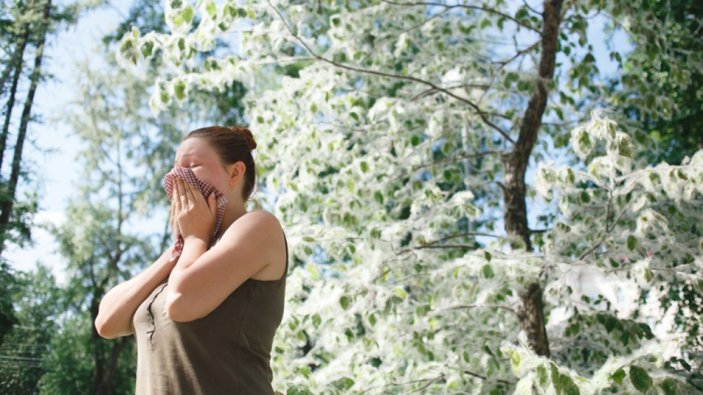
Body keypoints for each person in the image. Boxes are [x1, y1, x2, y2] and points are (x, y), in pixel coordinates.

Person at [94, 126, 288, 394]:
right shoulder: (186, 256)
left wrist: (195, 237)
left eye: (192, 166)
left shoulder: (259, 226)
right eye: (174, 168)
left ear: (234, 173)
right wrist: (177, 250)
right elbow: (107, 323)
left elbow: (180, 303)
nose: (177, 177)